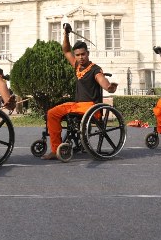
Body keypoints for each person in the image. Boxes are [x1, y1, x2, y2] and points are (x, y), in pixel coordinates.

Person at [42, 23, 118, 160]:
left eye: (83, 54)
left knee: (67, 110)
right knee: (52, 113)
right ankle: (56, 149)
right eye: (77, 55)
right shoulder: (77, 66)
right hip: (77, 105)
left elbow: (102, 80)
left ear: (87, 54)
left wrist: (109, 87)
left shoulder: (95, 69)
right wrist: (66, 34)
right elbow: (65, 50)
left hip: (91, 107)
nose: (80, 57)